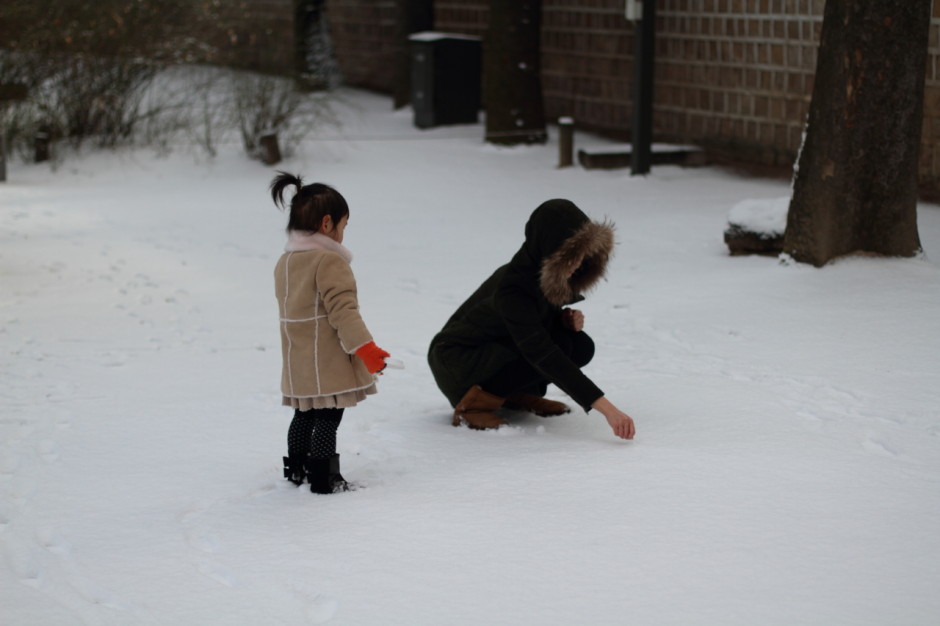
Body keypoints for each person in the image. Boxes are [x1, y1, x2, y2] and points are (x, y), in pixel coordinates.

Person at [427, 199, 636, 440]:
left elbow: (529, 323)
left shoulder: (541, 272)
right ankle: (473, 407)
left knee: (579, 345)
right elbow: (540, 350)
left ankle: (514, 394)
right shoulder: (514, 287)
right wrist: (608, 410)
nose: (577, 264)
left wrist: (561, 320)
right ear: (549, 249)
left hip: (492, 348)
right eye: (569, 256)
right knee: (556, 348)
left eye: (580, 255)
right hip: (457, 362)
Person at [270, 172, 390, 493]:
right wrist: (367, 350)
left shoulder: (286, 261)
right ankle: (324, 479)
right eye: (343, 226)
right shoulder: (328, 262)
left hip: (298, 359)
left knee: (304, 414)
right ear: (327, 224)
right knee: (328, 417)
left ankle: (297, 470)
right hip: (326, 359)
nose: (343, 234)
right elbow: (343, 312)